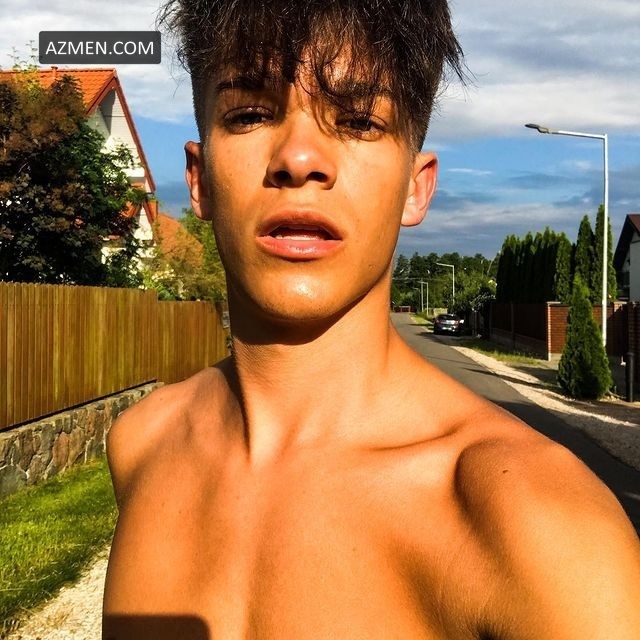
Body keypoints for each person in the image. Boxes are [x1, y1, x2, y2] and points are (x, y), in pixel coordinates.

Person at [102, 1, 640, 638]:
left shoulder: (544, 530)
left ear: (416, 187)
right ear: (199, 181)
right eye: (249, 114)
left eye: (358, 121)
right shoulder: (141, 444)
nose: (299, 157)